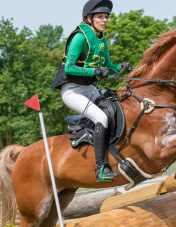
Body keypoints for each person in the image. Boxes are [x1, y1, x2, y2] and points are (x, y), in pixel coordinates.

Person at [51, 0, 131, 182]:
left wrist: (120, 67)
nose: (104, 20)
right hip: (72, 91)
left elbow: (108, 66)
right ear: (89, 18)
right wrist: (94, 71)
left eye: (106, 17)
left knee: (117, 103)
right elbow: (69, 67)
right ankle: (101, 169)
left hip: (88, 88)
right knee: (101, 118)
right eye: (100, 17)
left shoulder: (101, 40)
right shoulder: (80, 37)